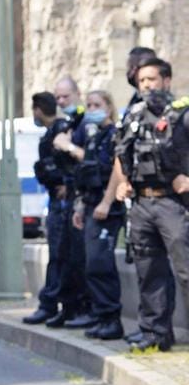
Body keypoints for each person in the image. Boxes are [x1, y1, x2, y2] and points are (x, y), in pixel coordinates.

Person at [104, 55, 189, 352]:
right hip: (141, 204)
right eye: (141, 81)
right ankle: (155, 333)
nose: (146, 86)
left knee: (185, 270)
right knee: (148, 271)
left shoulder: (182, 114)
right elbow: (122, 154)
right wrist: (123, 182)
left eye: (151, 79)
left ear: (166, 80)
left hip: (173, 203)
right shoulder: (133, 116)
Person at [25, 88, 89, 326]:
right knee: (58, 255)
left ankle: (60, 304)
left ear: (38, 110)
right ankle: (56, 304)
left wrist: (65, 183)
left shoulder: (63, 130)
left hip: (66, 200)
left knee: (65, 256)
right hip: (57, 198)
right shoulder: (50, 134)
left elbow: (71, 164)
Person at [71, 89, 126, 340]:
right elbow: (86, 175)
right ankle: (101, 316)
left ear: (109, 107)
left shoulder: (114, 135)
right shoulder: (94, 138)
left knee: (100, 263)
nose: (92, 109)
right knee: (91, 265)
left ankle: (111, 319)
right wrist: (81, 207)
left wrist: (106, 202)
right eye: (89, 105)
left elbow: (117, 170)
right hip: (92, 204)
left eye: (97, 104)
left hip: (108, 207)